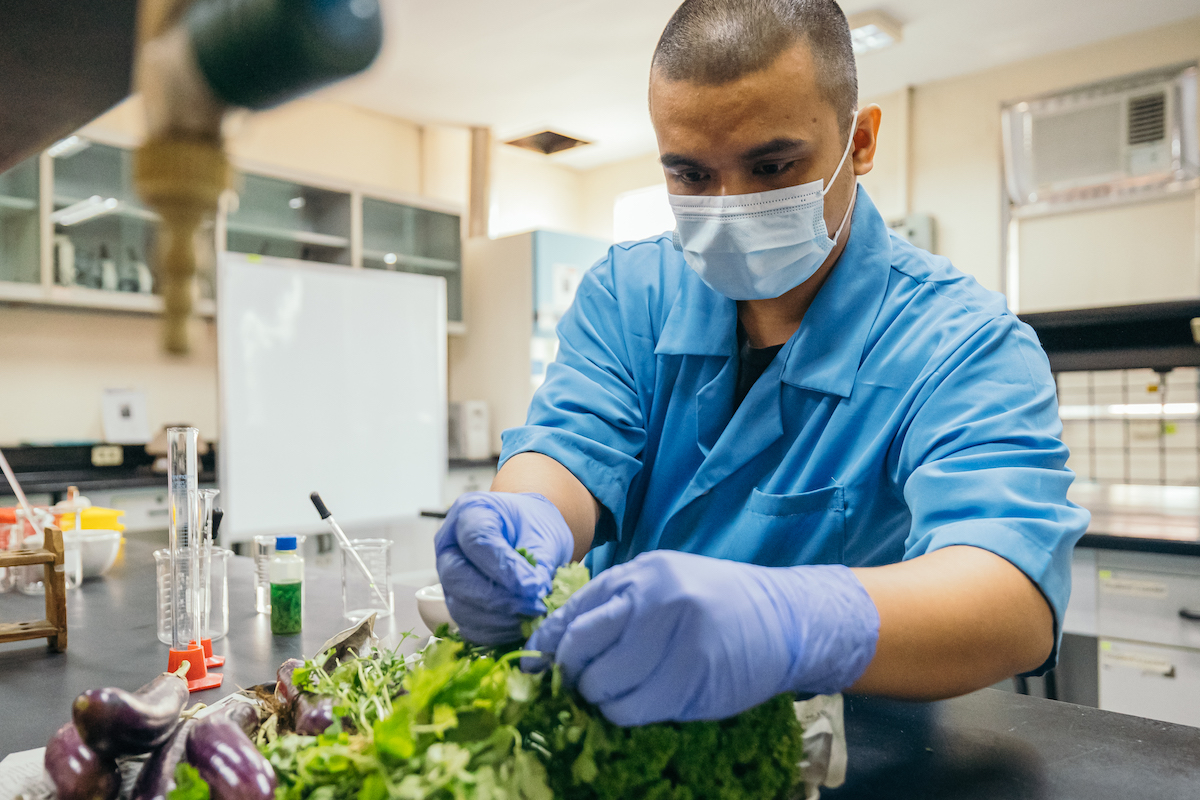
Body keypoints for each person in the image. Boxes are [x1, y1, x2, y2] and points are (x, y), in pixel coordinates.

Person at [436, 0, 1090, 726]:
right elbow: (568, 449)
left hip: (847, 758)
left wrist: (793, 622)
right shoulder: (630, 292)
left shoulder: (962, 342)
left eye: (771, 165)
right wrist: (527, 518)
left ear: (861, 140)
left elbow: (1010, 598)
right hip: (624, 736)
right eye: (689, 175)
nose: (730, 206)